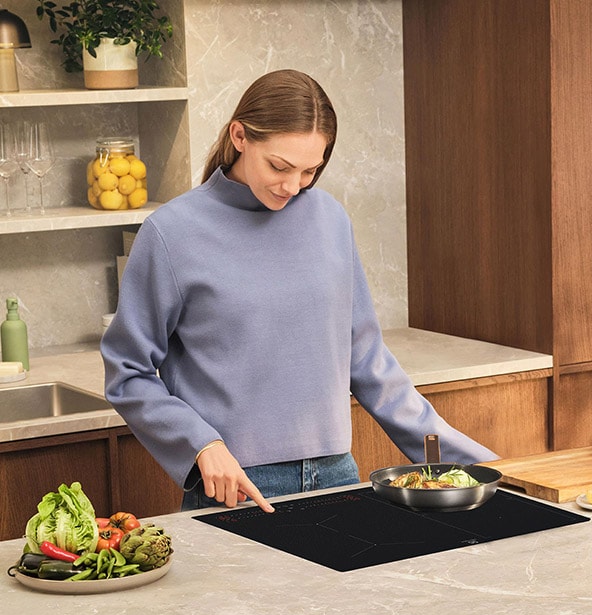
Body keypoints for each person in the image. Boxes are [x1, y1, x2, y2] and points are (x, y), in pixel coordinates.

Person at [101, 69, 499, 515]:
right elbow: (127, 370)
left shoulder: (330, 220)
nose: (292, 186)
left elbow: (367, 361)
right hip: (238, 488)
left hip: (337, 477)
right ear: (239, 136)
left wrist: (478, 464)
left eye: (310, 170)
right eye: (279, 166)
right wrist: (200, 445)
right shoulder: (171, 233)